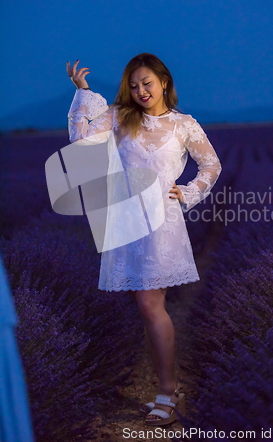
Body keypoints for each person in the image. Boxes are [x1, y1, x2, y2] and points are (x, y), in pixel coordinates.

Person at [66, 54, 222, 426]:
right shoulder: (120, 116)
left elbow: (211, 165)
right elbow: (81, 141)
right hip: (126, 219)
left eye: (147, 83)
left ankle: (166, 393)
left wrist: (187, 192)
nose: (140, 91)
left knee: (151, 305)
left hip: (161, 223)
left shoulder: (184, 125)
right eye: (134, 85)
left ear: (164, 82)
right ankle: (166, 389)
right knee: (146, 308)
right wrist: (84, 94)